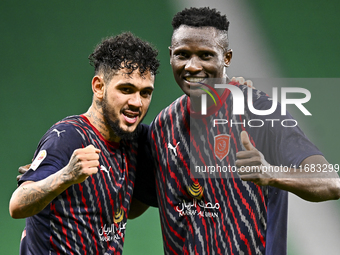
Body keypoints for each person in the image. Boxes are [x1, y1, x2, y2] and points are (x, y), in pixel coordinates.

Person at [134, 7, 340, 255]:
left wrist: (271, 174)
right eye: (182, 54)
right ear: (170, 55)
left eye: (206, 55)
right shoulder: (163, 125)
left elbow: (330, 183)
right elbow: (138, 204)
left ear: (227, 58)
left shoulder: (261, 112)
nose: (192, 66)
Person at [9, 32, 159, 255]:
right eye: (126, 89)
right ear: (99, 87)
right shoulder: (68, 137)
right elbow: (18, 205)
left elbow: (124, 212)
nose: (137, 102)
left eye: (145, 93)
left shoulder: (133, 140)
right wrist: (66, 175)